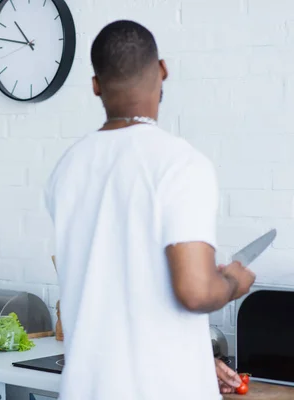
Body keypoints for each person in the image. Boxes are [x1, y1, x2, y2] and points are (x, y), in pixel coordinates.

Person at [45, 21, 255, 400]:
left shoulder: (67, 168)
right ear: (162, 70)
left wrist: (193, 359)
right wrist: (234, 283)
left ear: (95, 85)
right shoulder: (180, 163)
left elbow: (120, 289)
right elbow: (195, 291)